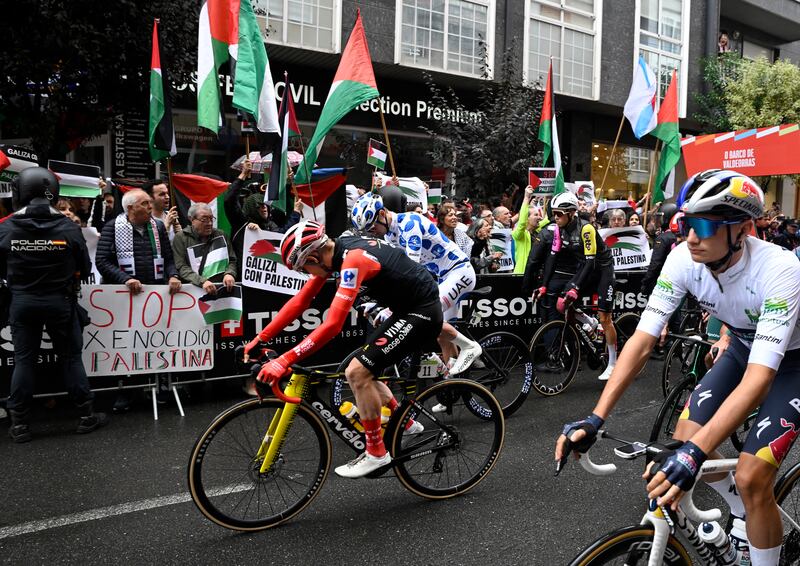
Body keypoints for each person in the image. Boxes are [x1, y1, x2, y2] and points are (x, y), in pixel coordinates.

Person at [556, 170, 800, 566]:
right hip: (741, 344)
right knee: (685, 435)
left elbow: (761, 378)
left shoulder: (779, 268)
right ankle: (740, 507)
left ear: (742, 230)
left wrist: (694, 456)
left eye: (703, 225)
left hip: (792, 363)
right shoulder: (682, 258)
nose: (690, 236)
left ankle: (753, 511)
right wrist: (595, 417)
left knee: (753, 477)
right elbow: (642, 341)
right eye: (687, 223)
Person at [243, 220, 440, 477]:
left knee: (358, 373)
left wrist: (284, 360)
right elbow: (301, 300)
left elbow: (333, 325)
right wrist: (262, 337)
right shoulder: (335, 253)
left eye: (305, 268)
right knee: (359, 367)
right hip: (405, 309)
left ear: (314, 255)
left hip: (422, 311)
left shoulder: (353, 260)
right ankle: (408, 423)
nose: (307, 273)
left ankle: (377, 453)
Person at [0, 167, 108, 442]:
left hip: (23, 302)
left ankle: (20, 424)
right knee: (71, 358)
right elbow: (85, 269)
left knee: (24, 361)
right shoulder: (68, 227)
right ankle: (85, 415)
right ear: (52, 193)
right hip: (60, 301)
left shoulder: (7, 227)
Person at [351, 189, 482, 375]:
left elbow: (410, 270)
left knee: (428, 318)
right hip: (443, 277)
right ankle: (452, 384)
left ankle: (470, 347)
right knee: (442, 336)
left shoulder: (410, 223)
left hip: (460, 272)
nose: (373, 233)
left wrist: (390, 306)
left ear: (382, 214)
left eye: (372, 228)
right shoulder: (389, 234)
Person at [96, 189, 181, 409]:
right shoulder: (112, 228)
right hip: (127, 297)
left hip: (155, 294)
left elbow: (169, 258)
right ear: (131, 208)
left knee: (157, 341)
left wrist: (172, 274)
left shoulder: (158, 226)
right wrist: (125, 279)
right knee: (129, 345)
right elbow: (102, 261)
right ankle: (127, 390)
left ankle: (161, 386)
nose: (150, 206)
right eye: (145, 203)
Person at [533, 192, 618, 380]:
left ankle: (613, 362)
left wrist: (575, 287)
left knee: (605, 317)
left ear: (571, 213)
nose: (555, 218)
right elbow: (552, 259)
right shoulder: (557, 229)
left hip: (602, 270)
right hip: (585, 268)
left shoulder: (586, 228)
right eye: (554, 213)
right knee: (560, 304)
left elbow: (591, 261)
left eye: (559, 214)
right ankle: (589, 322)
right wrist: (544, 286)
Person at [171, 203, 237, 294]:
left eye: (211, 219)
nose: (209, 223)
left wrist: (230, 273)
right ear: (192, 219)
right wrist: (202, 281)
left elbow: (232, 260)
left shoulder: (221, 235)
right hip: (195, 292)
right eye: (204, 219)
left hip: (223, 290)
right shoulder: (181, 238)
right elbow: (181, 266)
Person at [512, 185, 542, 274]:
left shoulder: (538, 232)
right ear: (527, 218)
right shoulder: (519, 235)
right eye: (536, 215)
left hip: (536, 275)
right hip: (522, 275)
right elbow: (521, 223)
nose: (540, 217)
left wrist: (547, 199)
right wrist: (526, 197)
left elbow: (548, 219)